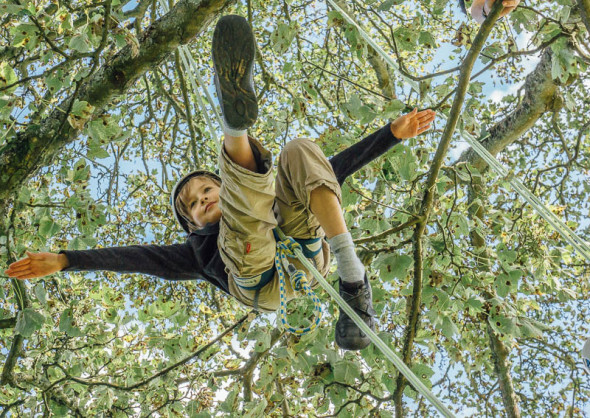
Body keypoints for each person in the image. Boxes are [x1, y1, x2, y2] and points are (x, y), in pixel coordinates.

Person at [4, 15, 436, 350]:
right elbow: (136, 258)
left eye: (206, 189)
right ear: (191, 225)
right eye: (192, 204)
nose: (202, 199)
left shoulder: (242, 198)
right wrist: (66, 260)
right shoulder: (197, 252)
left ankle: (352, 276)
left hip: (309, 251)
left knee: (300, 150)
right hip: (257, 280)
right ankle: (235, 129)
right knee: (242, 220)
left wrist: (390, 135)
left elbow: (335, 168)